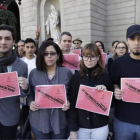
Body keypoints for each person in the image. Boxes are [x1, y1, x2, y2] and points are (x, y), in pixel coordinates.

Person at [28, 41, 73, 139]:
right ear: (41, 56)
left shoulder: (66, 73)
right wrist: (30, 102)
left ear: (58, 56)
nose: (49, 56)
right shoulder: (33, 73)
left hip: (60, 120)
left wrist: (68, 102)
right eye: (46, 53)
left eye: (52, 53)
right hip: (39, 121)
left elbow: (71, 94)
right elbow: (30, 93)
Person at [68, 43, 113, 139]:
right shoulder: (76, 77)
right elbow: (72, 103)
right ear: (82, 57)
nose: (89, 60)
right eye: (86, 56)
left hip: (100, 125)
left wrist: (105, 93)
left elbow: (112, 104)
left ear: (98, 57)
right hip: (81, 126)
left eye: (92, 56)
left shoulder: (105, 75)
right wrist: (73, 129)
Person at [0, 25, 29, 139]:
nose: (3, 42)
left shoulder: (22, 65)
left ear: (14, 42)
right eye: (0, 38)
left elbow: (22, 93)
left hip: (10, 116)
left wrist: (26, 88)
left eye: (7, 39)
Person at [111, 24, 140, 140]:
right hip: (123, 121)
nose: (136, 43)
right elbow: (114, 82)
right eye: (132, 39)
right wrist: (116, 89)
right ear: (127, 41)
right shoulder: (118, 63)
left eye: (139, 39)